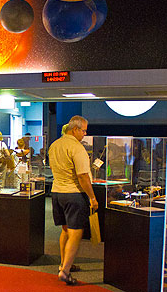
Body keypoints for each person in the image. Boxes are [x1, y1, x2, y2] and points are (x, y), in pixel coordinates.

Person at [48, 116, 98, 285]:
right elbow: (83, 176)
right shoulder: (77, 148)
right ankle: (65, 271)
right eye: (83, 130)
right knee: (76, 233)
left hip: (56, 192)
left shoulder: (54, 145)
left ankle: (63, 263)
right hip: (73, 194)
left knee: (65, 230)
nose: (85, 133)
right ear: (75, 129)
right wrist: (92, 197)